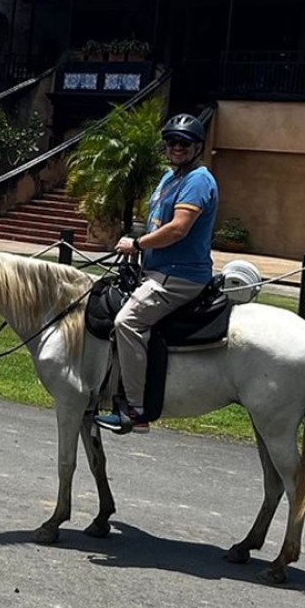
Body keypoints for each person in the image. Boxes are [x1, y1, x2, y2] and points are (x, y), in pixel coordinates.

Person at [93, 113, 218, 433]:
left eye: (183, 143)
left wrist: (137, 244)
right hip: (156, 270)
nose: (175, 147)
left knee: (128, 321)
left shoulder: (199, 180)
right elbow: (157, 224)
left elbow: (178, 229)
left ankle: (135, 411)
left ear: (198, 147)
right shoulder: (169, 178)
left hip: (180, 277)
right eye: (171, 142)